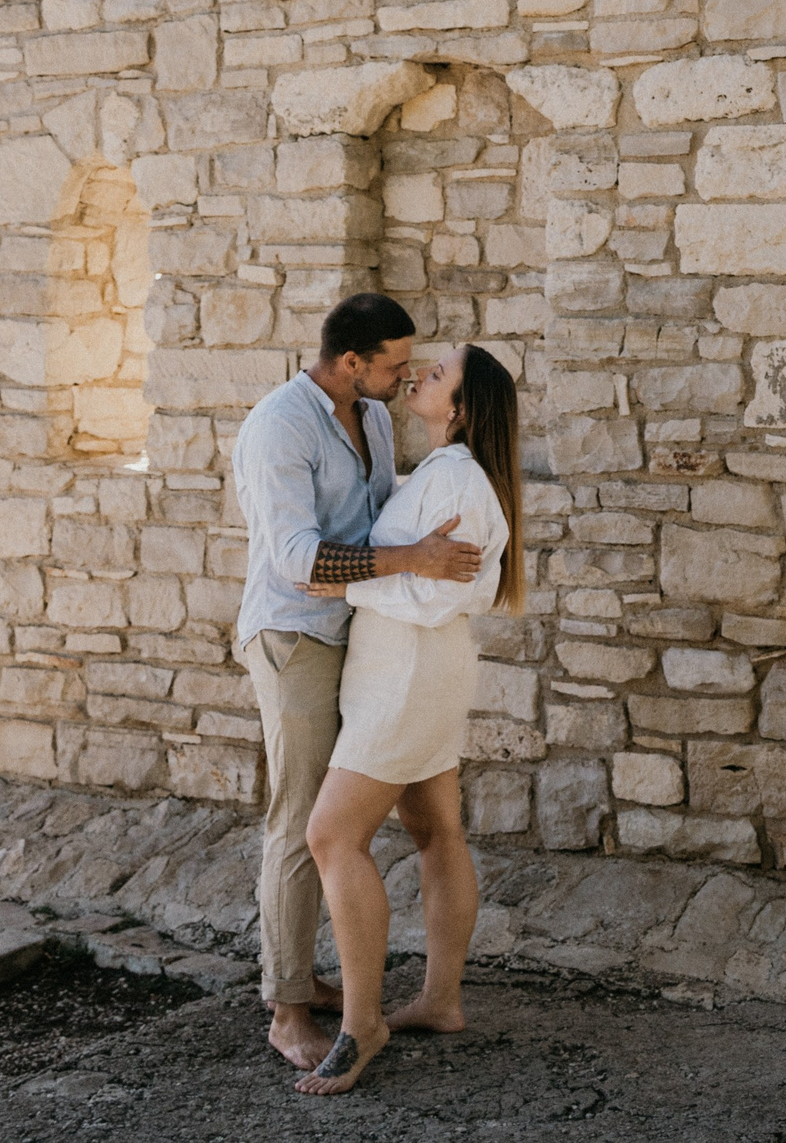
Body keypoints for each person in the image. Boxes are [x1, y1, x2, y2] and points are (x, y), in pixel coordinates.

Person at [230, 293, 484, 1073]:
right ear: (350, 362)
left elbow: (384, 521)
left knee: (342, 819)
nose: (406, 376)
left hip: (358, 641)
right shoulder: (280, 425)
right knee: (302, 818)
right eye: (395, 364)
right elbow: (300, 564)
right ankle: (287, 1008)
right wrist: (415, 563)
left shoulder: (372, 417)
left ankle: (321, 974)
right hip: (297, 637)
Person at [294, 343, 525, 1097]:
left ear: (460, 407)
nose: (423, 372)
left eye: (441, 373)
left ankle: (361, 1025)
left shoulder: (458, 477)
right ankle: (442, 998)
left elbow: (435, 591)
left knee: (331, 834)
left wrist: (352, 586)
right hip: (415, 670)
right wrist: (396, 564)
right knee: (435, 831)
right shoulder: (441, 471)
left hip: (407, 676)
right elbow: (424, 571)